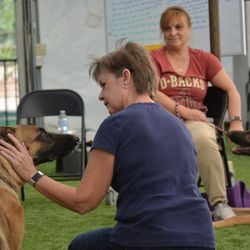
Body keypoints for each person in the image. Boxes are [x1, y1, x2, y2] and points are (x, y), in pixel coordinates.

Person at [0, 42, 215, 250]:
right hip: (203, 239)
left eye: (104, 84)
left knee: (80, 246)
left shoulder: (115, 124)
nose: (100, 95)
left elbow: (83, 202)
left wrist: (32, 174)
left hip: (149, 239)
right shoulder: (180, 126)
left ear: (125, 78)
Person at [150, 6, 245, 221]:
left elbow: (232, 90)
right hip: (161, 121)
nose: (172, 32)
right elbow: (152, 91)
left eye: (178, 27)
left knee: (203, 136)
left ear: (190, 29)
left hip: (195, 124)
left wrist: (236, 121)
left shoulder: (203, 59)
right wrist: (181, 110)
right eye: (167, 28)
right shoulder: (153, 58)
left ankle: (219, 203)